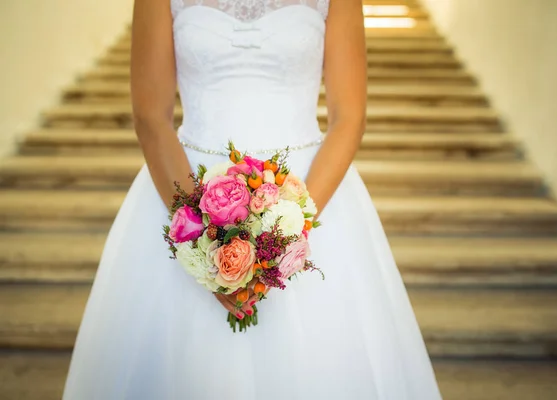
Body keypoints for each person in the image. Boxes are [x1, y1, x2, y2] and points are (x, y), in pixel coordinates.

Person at [63, 0, 442, 398]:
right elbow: (150, 117)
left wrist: (285, 233)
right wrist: (204, 239)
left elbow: (349, 117)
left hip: (308, 193)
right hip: (186, 186)